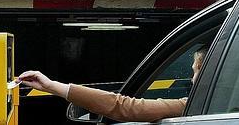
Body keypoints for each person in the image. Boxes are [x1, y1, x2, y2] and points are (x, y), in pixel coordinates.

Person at [18, 45, 208, 123]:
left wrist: (51, 86)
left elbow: (122, 106)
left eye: (195, 71)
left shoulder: (193, 106)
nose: (192, 79)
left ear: (209, 73)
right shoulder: (216, 106)